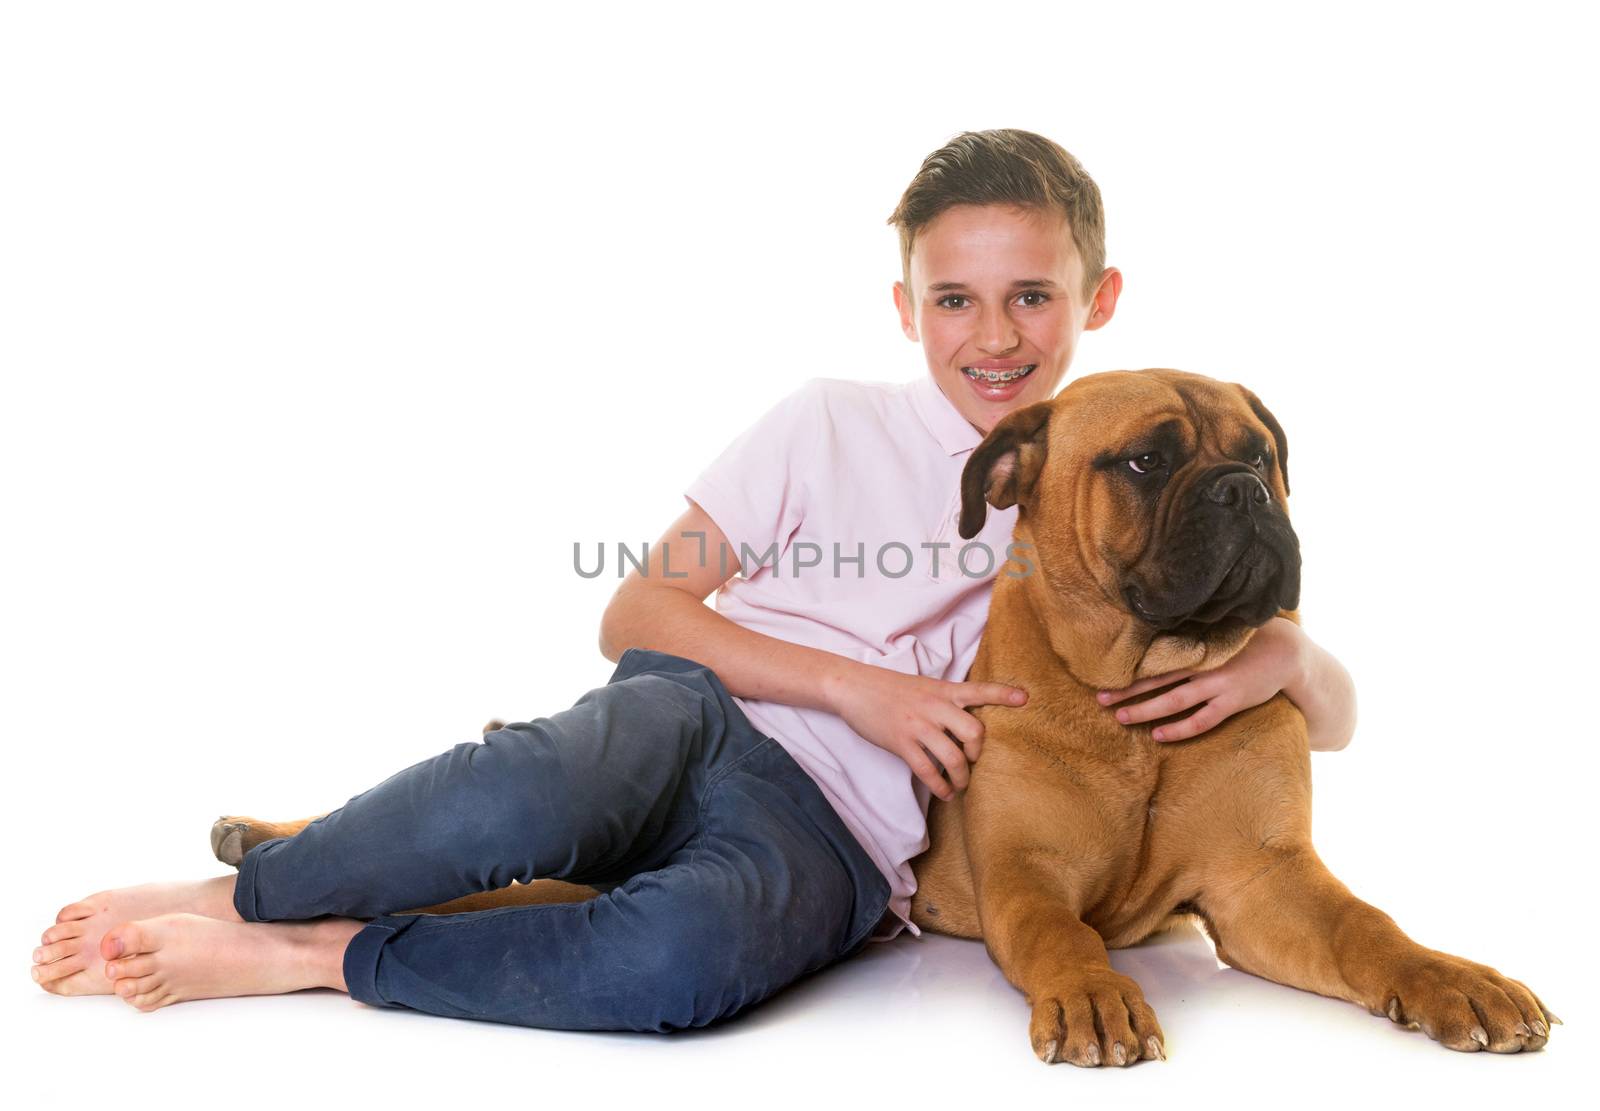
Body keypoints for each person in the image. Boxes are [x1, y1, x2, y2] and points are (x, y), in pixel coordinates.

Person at [29, 129, 1357, 1029]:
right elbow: (636, 612)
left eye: (1031, 297)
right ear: (906, 308)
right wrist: (866, 689)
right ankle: (245, 891)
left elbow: (1316, 712)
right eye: (955, 299)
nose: (993, 334)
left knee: (682, 962)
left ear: (1096, 295)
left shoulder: (1112, 473)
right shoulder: (828, 421)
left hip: (842, 842)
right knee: (525, 792)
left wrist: (1288, 657)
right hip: (692, 718)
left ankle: (317, 955)